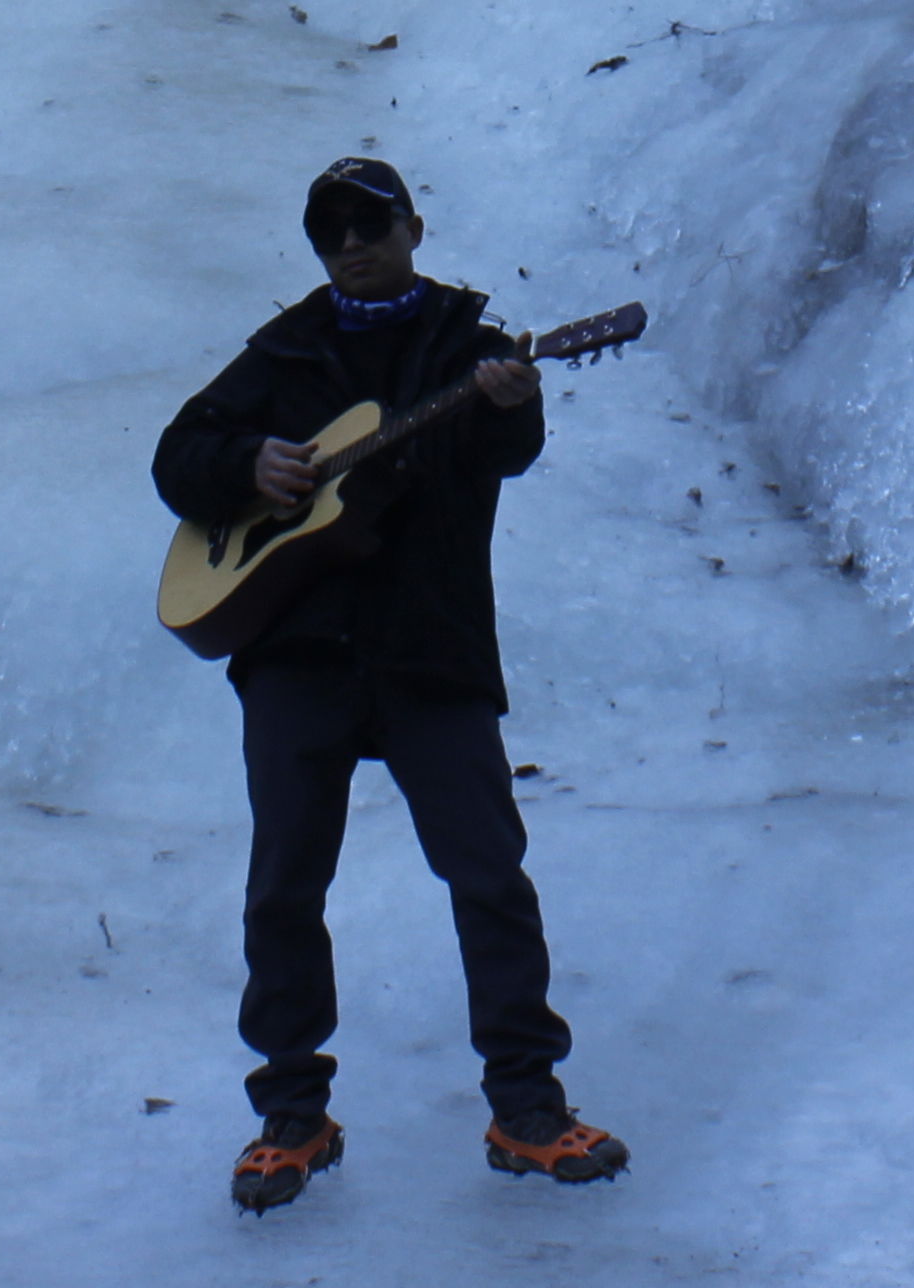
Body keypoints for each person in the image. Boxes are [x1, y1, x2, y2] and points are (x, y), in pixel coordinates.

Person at [151, 154, 629, 1212]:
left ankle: (527, 1103)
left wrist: (507, 403)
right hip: (297, 654)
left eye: (369, 223)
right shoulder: (283, 352)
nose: (351, 245)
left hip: (430, 651)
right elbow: (178, 455)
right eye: (330, 232)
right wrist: (248, 469)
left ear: (414, 225)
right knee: (285, 888)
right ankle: (290, 1113)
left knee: (488, 875)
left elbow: (512, 450)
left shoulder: (472, 347)